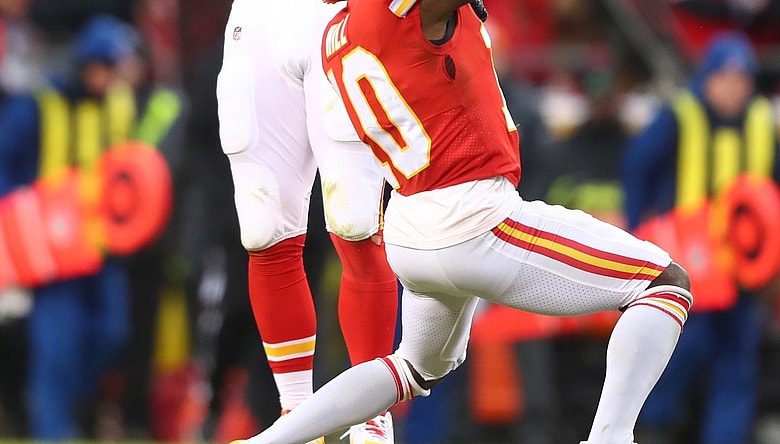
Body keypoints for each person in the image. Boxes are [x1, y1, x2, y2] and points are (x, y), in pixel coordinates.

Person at [232, 0, 694, 443]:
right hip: (475, 215)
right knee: (664, 284)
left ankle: (270, 440)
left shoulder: (336, 31)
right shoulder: (397, 13)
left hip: (412, 228)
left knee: (413, 367)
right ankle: (610, 439)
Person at [215, 0, 400, 442]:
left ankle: (371, 414)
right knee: (264, 228)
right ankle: (295, 413)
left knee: (356, 221)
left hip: (344, 15)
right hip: (260, 20)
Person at [622, 31, 779, 444]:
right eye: (725, 78)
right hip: (690, 266)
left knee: (738, 359)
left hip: (743, 269)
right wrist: (639, 236)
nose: (734, 88)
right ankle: (654, 428)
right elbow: (638, 168)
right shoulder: (682, 114)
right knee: (679, 351)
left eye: (742, 80)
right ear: (707, 78)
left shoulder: (763, 121)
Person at [0, 14, 139, 439]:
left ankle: (61, 406)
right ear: (85, 64)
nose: (110, 79)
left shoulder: (118, 104)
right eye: (105, 68)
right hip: (53, 251)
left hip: (99, 246)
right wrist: (22, 216)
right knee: (56, 345)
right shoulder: (40, 103)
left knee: (112, 332)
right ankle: (52, 427)